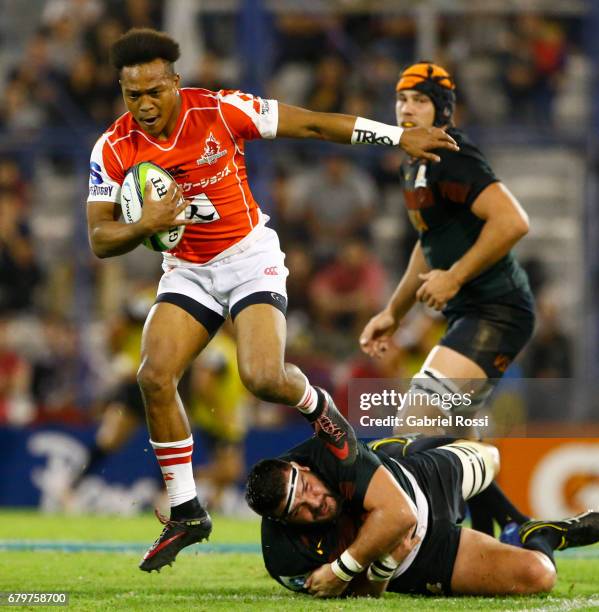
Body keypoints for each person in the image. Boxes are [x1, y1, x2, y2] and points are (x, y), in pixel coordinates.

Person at [86, 29, 458, 573]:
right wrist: (145, 223)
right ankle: (187, 509)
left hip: (247, 256)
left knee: (261, 376)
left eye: (154, 92)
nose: (144, 105)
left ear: (175, 82)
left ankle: (319, 408)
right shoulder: (112, 148)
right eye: (132, 94)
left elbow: (313, 123)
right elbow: (99, 238)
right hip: (188, 271)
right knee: (153, 376)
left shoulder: (220, 110)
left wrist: (395, 137)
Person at [359, 62, 535, 437]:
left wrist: (454, 277)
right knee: (455, 448)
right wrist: (393, 313)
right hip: (471, 314)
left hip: (496, 313)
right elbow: (428, 246)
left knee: (417, 423)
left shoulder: (452, 155)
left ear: (442, 110)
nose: (406, 109)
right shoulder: (414, 163)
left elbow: (513, 221)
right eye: (401, 99)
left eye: (420, 100)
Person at [246, 435, 599, 599]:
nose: (316, 503)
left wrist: (341, 569)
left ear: (301, 467)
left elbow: (400, 515)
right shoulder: (285, 559)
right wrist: (384, 567)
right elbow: (363, 598)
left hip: (422, 481)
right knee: (539, 575)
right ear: (282, 522)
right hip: (416, 559)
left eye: (307, 486)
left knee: (489, 456)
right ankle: (543, 533)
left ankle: (402, 449)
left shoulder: (327, 451)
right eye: (299, 510)